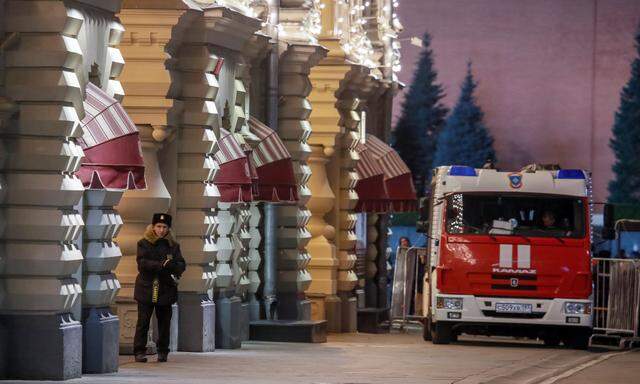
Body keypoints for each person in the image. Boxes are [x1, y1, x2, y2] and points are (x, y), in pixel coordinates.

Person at [133, 213, 186, 363]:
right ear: (153, 227)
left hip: (165, 289)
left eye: (164, 227)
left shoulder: (173, 245)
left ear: (168, 228)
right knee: (143, 322)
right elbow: (142, 263)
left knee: (164, 323)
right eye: (158, 226)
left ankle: (163, 351)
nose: (161, 230)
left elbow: (181, 265)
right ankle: (139, 351)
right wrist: (161, 265)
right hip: (146, 288)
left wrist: (172, 266)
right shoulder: (144, 243)